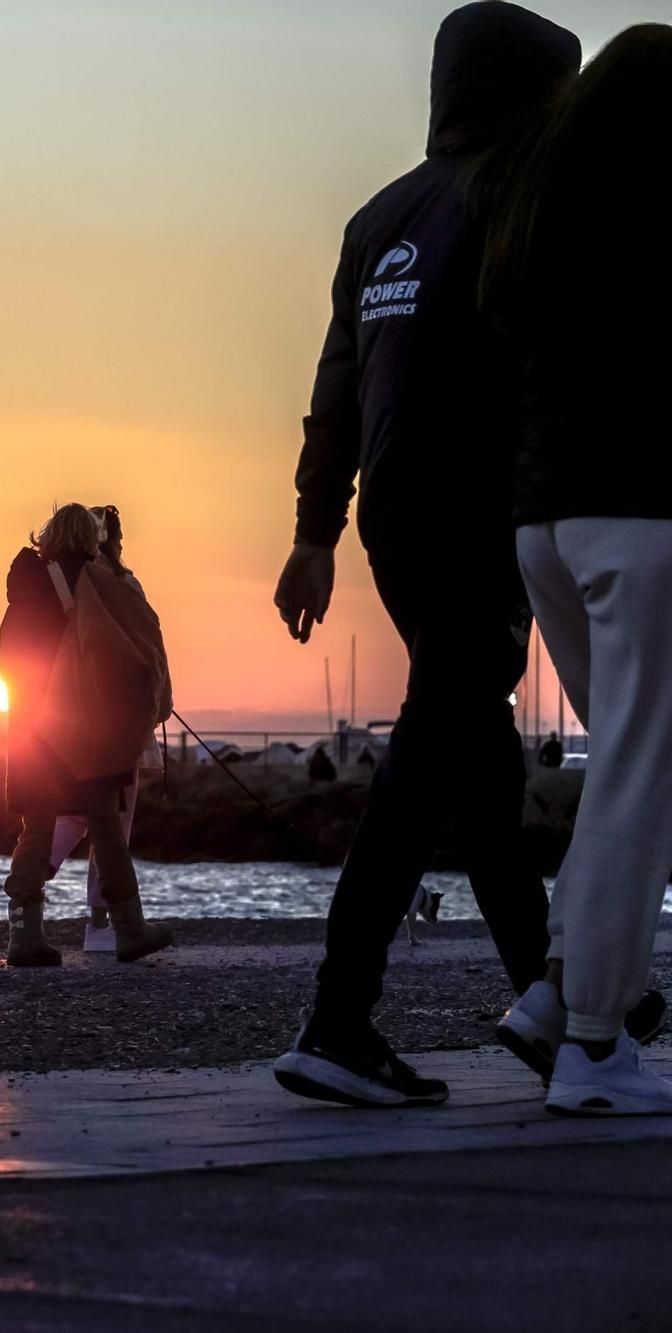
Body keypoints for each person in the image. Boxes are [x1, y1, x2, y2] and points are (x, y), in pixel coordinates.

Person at [270, 2, 581, 1108]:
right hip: (481, 508)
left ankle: (548, 1007)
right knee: (432, 750)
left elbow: (334, 390)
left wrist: (315, 532)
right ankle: (335, 1018)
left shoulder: (376, 218)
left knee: (475, 758)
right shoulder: (520, 195)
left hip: (393, 518)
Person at [486, 24, 672, 1115]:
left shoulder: (537, 215)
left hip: (541, 521)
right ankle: (595, 1049)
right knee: (640, 774)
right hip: (640, 515)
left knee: (626, 770)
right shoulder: (657, 213)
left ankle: (558, 995)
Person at [0, 504, 174, 967]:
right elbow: (134, 650)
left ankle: (24, 936)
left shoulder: (27, 585)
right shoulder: (102, 585)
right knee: (106, 828)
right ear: (90, 539)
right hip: (85, 728)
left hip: (34, 728)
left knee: (35, 829)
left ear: (49, 535)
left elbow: (9, 658)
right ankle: (129, 931)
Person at [49, 506, 158, 955]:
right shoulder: (120, 586)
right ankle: (96, 920)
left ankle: (33, 890)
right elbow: (146, 648)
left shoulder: (66, 579)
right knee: (110, 820)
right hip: (117, 718)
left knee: (81, 815)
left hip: (76, 715)